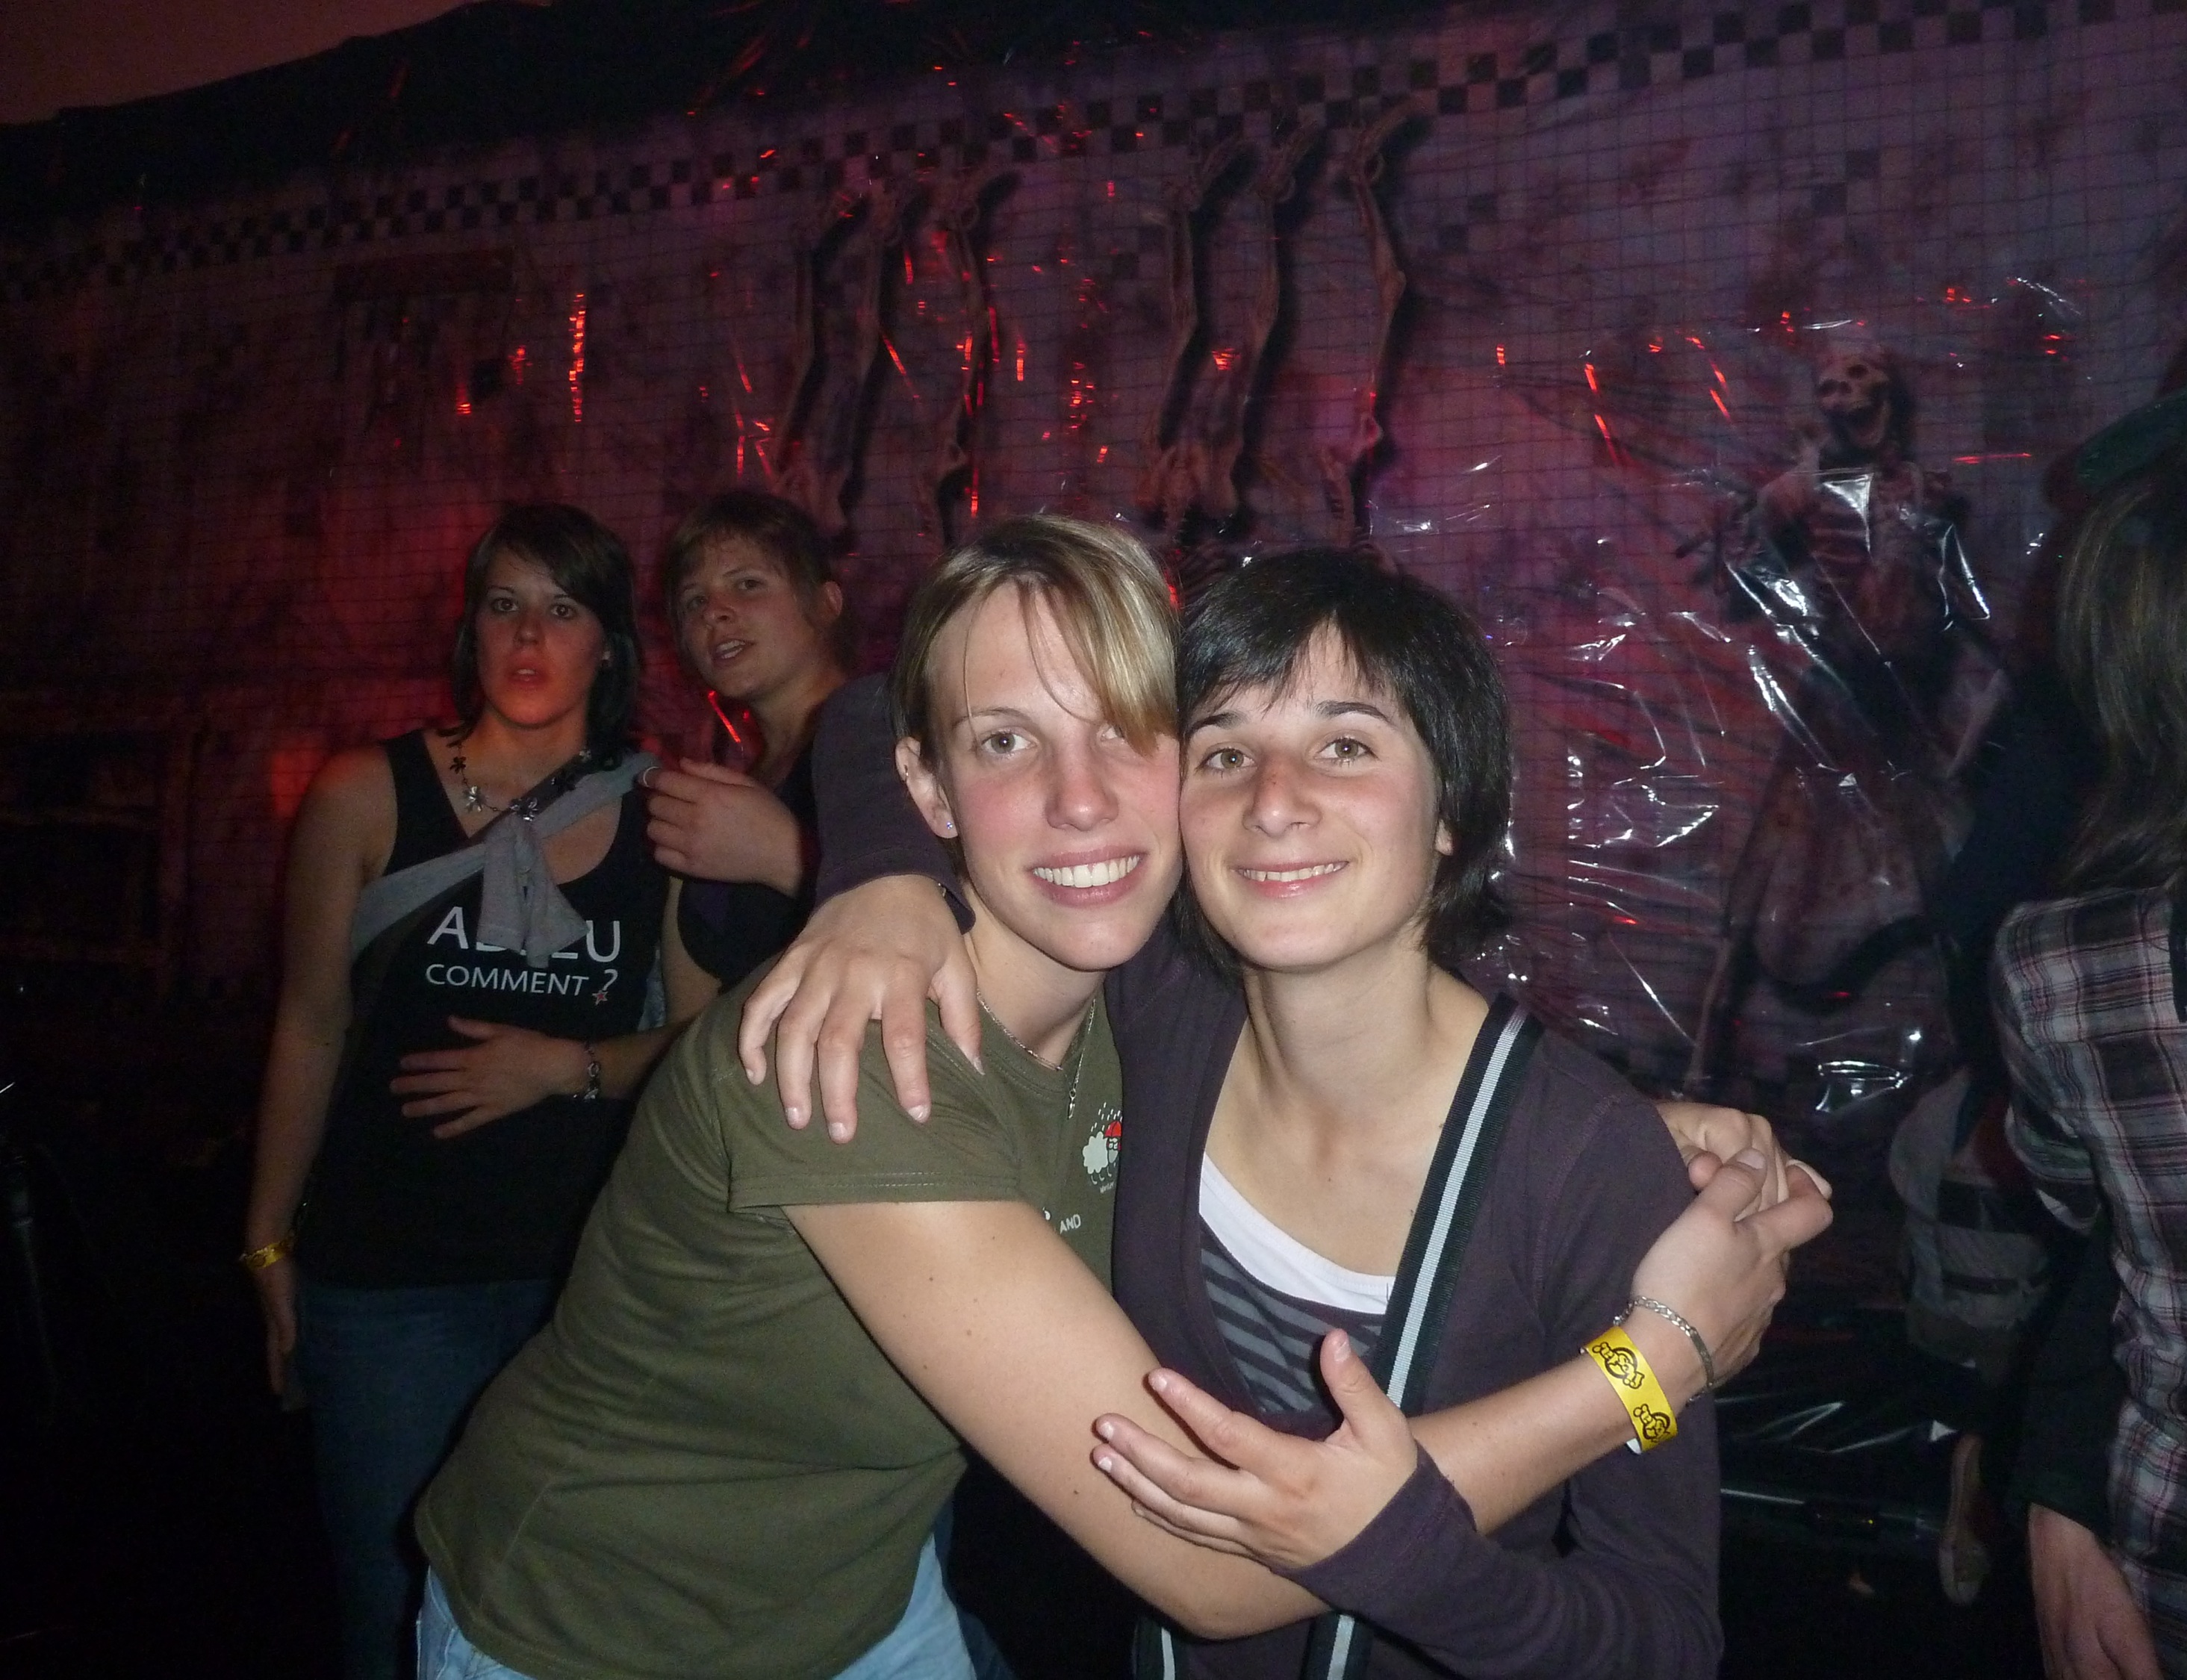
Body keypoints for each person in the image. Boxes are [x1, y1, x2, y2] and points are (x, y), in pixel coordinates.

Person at [414, 517, 1823, 1680]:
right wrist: (1653, 1365)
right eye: (1007, 744)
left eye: (1129, 734)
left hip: (858, 1599)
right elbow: (1213, 1571)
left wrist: (1614, 1140)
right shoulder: (877, 1048)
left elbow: (1659, 1627)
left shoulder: (1148, 1008)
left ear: (1454, 805)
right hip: (598, 1630)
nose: (1086, 800)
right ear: (933, 787)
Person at [241, 504, 721, 1680]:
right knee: (394, 1593)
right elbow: (309, 1024)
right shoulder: (364, 792)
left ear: (609, 643)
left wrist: (565, 1065)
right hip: (389, 1274)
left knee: (575, 1604)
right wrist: (266, 1242)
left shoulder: (666, 811)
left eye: (563, 608)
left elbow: (705, 1041)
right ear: (472, 627)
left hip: (591, 1280)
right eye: (505, 603)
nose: (529, 634)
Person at [1994, 421, 2187, 1679]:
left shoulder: (2060, 965)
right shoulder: (2066, 958)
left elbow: (2096, 1217)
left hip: (2182, 1563)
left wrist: (2053, 1474)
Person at [644, 490, 850, 989]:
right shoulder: (719, 801)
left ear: (826, 604)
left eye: (747, 584)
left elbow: (954, 925)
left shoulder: (896, 742)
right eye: (694, 601)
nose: (714, 612)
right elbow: (695, 1021)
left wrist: (784, 855)